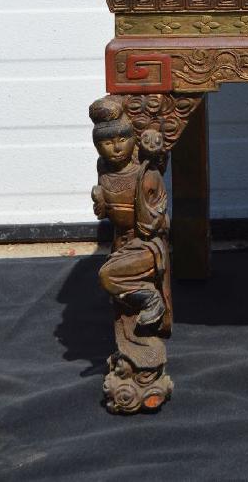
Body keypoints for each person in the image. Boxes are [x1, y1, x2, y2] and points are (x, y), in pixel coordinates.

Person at [90, 96, 170, 332]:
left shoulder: (145, 173)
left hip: (146, 245)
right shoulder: (103, 168)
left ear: (133, 139)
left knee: (107, 276)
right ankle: (134, 298)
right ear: (97, 146)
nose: (116, 148)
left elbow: (154, 222)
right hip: (121, 243)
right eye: (106, 143)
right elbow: (106, 214)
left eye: (122, 139)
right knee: (110, 276)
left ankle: (151, 299)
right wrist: (101, 203)